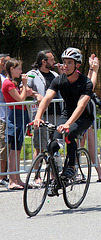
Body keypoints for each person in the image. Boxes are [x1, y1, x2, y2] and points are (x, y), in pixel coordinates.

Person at [33, 47, 94, 184]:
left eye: (70, 63)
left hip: (84, 116)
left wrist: (67, 124)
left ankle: (71, 167)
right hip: (67, 113)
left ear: (77, 65)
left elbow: (81, 105)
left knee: (69, 133)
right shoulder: (59, 80)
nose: (65, 65)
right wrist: (38, 117)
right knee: (53, 145)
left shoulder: (85, 83)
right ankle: (56, 177)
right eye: (64, 62)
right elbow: (47, 99)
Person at [80, 54, 101, 182]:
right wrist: (94, 70)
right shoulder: (71, 77)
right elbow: (90, 87)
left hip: (86, 116)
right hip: (76, 117)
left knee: (91, 144)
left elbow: (87, 85)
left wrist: (92, 69)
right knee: (79, 145)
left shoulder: (77, 75)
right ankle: (74, 171)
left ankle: (99, 172)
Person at [2, 58, 32, 190]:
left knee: (18, 148)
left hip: (20, 114)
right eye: (18, 68)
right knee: (14, 149)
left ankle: (17, 178)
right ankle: (12, 180)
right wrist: (25, 85)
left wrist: (25, 89)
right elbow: (20, 99)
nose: (21, 71)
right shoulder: (8, 83)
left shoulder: (12, 83)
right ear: (11, 69)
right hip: (15, 115)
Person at [26, 50, 61, 160]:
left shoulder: (55, 75)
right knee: (40, 147)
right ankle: (37, 175)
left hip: (56, 113)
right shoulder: (32, 74)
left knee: (54, 146)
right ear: (44, 62)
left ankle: (53, 174)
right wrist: (36, 95)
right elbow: (25, 88)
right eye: (52, 60)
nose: (54, 62)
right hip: (41, 115)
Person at [0, 54, 10, 187]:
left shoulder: (4, 78)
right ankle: (2, 176)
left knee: (6, 147)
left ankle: (4, 175)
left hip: (7, 118)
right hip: (2, 118)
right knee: (2, 148)